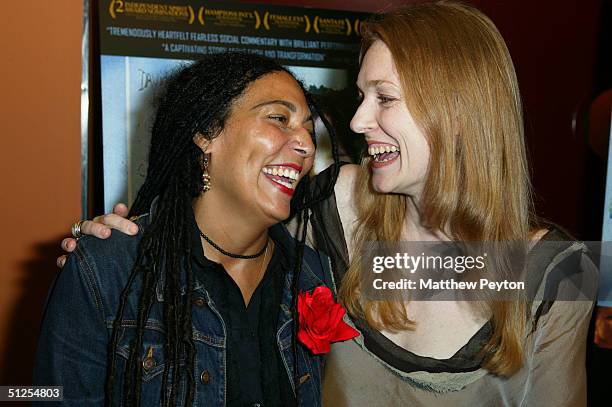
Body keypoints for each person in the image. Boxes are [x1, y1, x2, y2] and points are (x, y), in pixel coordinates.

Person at [58, 2, 597, 405]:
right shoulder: (330, 211)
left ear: (455, 109)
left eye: (384, 98)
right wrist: (108, 256)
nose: (358, 122)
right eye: (362, 97)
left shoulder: (554, 274)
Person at [36, 52, 346, 406]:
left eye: (308, 128)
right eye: (279, 118)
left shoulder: (314, 276)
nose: (306, 145)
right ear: (207, 133)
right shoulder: (110, 271)